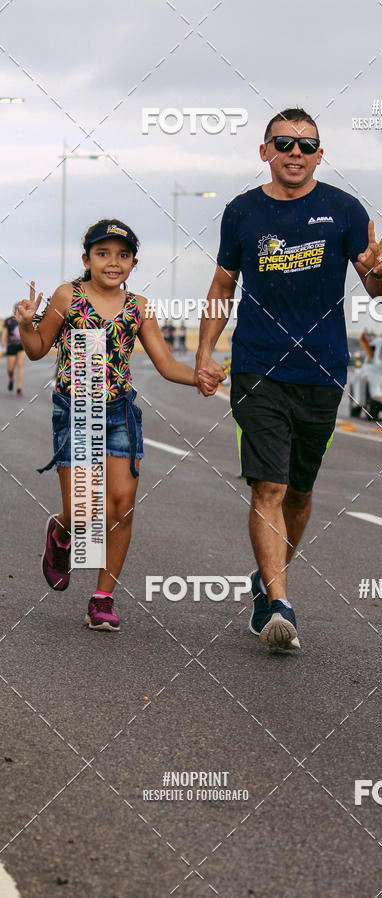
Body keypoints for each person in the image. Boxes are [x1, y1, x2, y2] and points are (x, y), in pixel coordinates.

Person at [195, 108, 382, 651]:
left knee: (300, 495)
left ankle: (266, 580)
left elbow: (380, 293)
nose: (295, 153)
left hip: (323, 372)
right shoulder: (242, 212)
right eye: (284, 143)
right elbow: (221, 285)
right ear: (265, 152)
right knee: (270, 485)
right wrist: (206, 351)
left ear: (320, 155)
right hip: (258, 367)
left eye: (307, 145)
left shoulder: (343, 210)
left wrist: (378, 268)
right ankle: (280, 605)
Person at [17, 219, 203, 632]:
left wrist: (199, 376)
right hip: (77, 409)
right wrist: (26, 324)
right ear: (86, 260)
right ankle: (62, 534)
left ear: (134, 262)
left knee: (120, 506)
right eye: (103, 254)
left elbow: (166, 364)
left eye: (122, 255)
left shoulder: (138, 307)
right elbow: (36, 350)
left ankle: (102, 598)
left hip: (119, 412)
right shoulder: (70, 295)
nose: (112, 262)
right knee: (84, 514)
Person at [2, 304, 26, 394]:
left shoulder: (24, 321)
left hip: (22, 346)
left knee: (20, 365)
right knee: (10, 369)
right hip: (11, 346)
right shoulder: (8, 321)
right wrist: (4, 341)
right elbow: (5, 332)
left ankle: (19, 387)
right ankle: (11, 378)